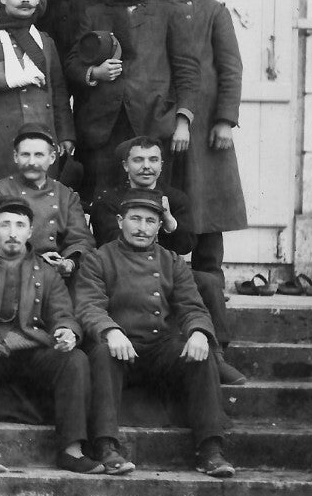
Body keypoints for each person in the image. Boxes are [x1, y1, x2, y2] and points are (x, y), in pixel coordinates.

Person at [79, 189, 235, 478]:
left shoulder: (172, 261)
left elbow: (192, 306)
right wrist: (110, 330)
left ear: (160, 226)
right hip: (119, 347)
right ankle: (105, 446)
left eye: (150, 221)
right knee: (100, 353)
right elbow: (89, 306)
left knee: (201, 355)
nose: (141, 227)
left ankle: (210, 450)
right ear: (119, 221)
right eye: (134, 219)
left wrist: (199, 332)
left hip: (159, 345)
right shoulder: (98, 259)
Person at [0, 198, 100, 474]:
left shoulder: (46, 271)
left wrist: (67, 332)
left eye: (20, 225)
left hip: (33, 349)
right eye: (5, 225)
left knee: (75, 360)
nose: (13, 232)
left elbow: (63, 314)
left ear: (30, 232)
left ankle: (71, 450)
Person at [154, 0, 249, 359]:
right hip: (161, 122)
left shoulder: (213, 11)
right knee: (164, 210)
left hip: (207, 127)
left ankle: (213, 310)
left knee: (207, 215)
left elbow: (230, 66)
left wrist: (226, 118)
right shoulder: (150, 9)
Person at [89, 137, 244, 386]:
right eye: (138, 160)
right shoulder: (108, 200)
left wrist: (170, 223)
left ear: (162, 165)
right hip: (123, 274)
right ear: (125, 165)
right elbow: (110, 240)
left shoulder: (175, 198)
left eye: (153, 160)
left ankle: (217, 356)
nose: (146, 166)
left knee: (208, 282)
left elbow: (186, 245)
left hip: (167, 272)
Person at [64, 0, 200, 205]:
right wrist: (94, 73)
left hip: (152, 122)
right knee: (101, 202)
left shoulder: (168, 12)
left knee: (150, 202)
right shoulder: (95, 13)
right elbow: (72, 63)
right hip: (102, 127)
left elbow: (187, 71)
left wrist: (183, 122)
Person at [0, 0, 75, 196]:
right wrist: (15, 73)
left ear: (38, 0)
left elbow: (58, 91)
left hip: (42, 133)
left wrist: (65, 134)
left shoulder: (45, 41)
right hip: (0, 137)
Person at [0, 125, 96, 283]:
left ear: (52, 158)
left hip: (57, 278)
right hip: (11, 275)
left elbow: (81, 239)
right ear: (15, 156)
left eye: (39, 155)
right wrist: (37, 260)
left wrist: (68, 263)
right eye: (25, 155)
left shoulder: (65, 195)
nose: (32, 162)